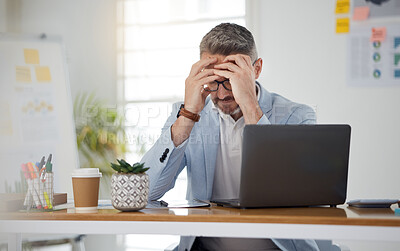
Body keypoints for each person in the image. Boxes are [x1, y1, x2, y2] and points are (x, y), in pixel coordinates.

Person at [141, 23, 318, 251]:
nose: (222, 94)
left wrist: (251, 108)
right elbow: (146, 192)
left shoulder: (297, 115)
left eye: (230, 80)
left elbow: (297, 195)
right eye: (214, 81)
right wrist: (187, 117)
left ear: (256, 69)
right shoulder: (187, 113)